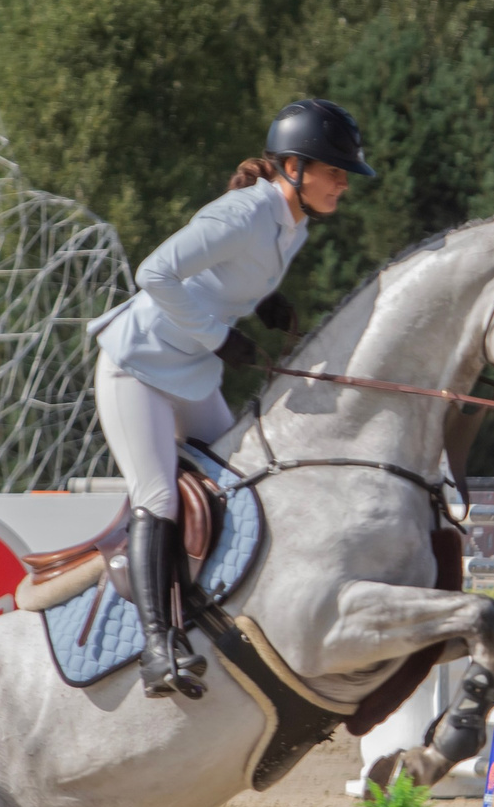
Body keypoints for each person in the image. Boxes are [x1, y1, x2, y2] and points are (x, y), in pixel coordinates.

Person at [87, 98, 376, 698]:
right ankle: (157, 646)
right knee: (160, 495)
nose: (343, 185)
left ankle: (217, 613)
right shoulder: (245, 212)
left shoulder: (291, 222)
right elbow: (154, 273)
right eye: (336, 171)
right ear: (293, 166)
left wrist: (260, 303)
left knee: (240, 479)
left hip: (189, 374)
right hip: (135, 366)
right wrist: (221, 336)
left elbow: (219, 277)